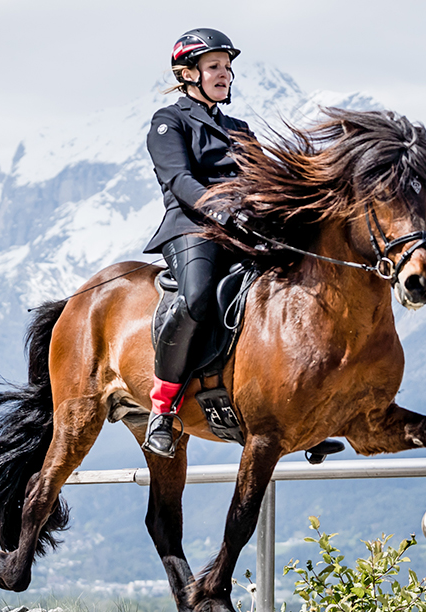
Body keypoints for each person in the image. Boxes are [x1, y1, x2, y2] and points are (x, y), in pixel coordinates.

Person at [143, 28, 253, 458]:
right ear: (189, 73)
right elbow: (180, 181)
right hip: (192, 228)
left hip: (244, 230)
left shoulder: (241, 129)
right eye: (215, 67)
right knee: (197, 297)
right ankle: (163, 408)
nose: (225, 74)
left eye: (228, 68)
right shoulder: (169, 122)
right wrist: (222, 211)